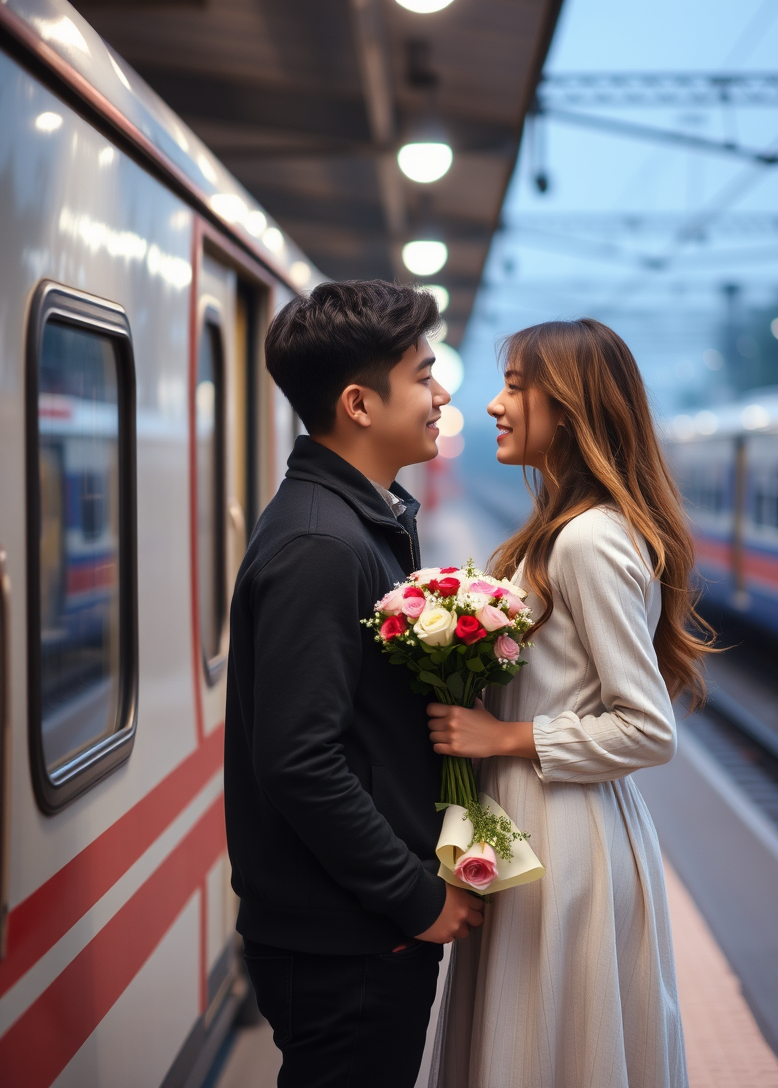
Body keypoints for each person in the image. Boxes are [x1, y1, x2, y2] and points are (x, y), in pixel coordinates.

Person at [427, 318, 715, 1088]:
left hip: (563, 836)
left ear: (572, 409)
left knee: (540, 1044)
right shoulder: (552, 537)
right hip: (533, 824)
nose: (493, 404)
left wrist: (501, 737)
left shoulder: (589, 542)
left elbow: (648, 730)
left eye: (516, 386)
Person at [224, 280, 484, 1088]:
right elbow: (300, 760)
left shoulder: (355, 519)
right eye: (423, 375)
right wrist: (413, 897)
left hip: (353, 925)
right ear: (359, 404)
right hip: (350, 934)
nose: (441, 396)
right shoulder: (323, 545)